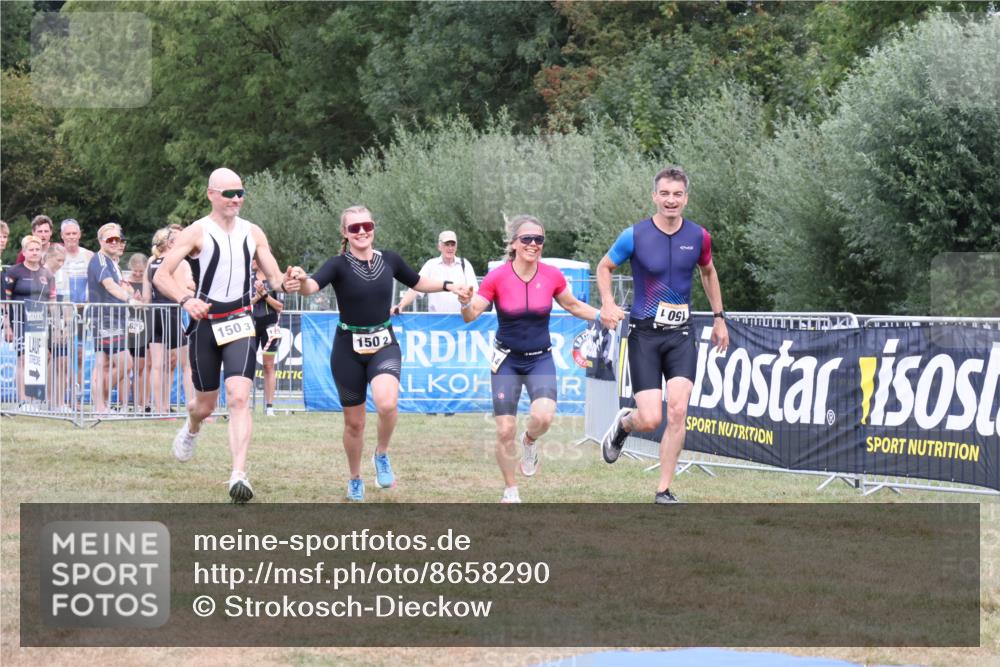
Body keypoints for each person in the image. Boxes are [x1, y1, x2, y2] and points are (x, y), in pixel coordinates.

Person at [287, 205, 471, 502]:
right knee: (355, 423)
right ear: (344, 233)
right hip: (347, 348)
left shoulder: (390, 259)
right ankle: (355, 478)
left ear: (374, 227)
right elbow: (311, 286)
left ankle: (381, 454)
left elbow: (418, 282)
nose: (362, 231)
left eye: (367, 225)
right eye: (354, 227)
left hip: (384, 342)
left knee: (387, 404)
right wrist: (298, 279)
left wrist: (450, 285)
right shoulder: (337, 264)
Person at [153, 167, 296, 504]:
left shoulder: (253, 232)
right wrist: (186, 300)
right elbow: (162, 274)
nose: (236, 199)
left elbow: (274, 276)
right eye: (228, 193)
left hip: (240, 320)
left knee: (239, 397)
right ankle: (191, 428)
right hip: (205, 323)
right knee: (205, 405)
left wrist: (286, 281)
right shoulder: (196, 231)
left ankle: (238, 474)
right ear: (211, 195)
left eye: (240, 193)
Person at [596, 166, 729, 504]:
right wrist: (609, 303)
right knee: (651, 417)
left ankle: (663, 490)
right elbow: (604, 267)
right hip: (645, 337)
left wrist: (719, 318)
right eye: (665, 194)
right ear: (655, 196)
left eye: (677, 194)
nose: (671, 200)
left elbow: (708, 272)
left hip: (682, 336)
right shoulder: (635, 235)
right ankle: (625, 424)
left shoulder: (699, 236)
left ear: (686, 198)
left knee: (678, 412)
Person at [457, 215, 609, 503]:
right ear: (514, 243)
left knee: (543, 417)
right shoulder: (497, 277)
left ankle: (529, 442)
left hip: (540, 359)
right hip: (507, 361)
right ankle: (511, 490)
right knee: (504, 429)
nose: (533, 244)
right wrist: (465, 301)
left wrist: (603, 315)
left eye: (538, 239)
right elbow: (471, 315)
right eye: (526, 239)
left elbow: (574, 306)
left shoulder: (551, 275)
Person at [87, 222, 136, 414]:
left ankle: (100, 404)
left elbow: (117, 286)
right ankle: (100, 400)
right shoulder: (99, 259)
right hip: (105, 319)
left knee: (104, 364)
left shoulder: (112, 261)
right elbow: (109, 285)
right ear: (101, 241)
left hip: (113, 318)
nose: (116, 242)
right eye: (111, 239)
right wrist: (130, 299)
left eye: (119, 239)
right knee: (125, 363)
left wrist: (129, 292)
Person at [3, 235, 57, 409]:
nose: (34, 252)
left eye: (37, 249)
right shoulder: (14, 272)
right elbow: (5, 300)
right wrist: (7, 325)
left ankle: (34, 399)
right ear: (24, 252)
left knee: (41, 358)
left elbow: (52, 302)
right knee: (24, 359)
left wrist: (56, 324)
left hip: (40, 323)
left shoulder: (47, 273)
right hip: (19, 321)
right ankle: (23, 400)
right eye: (31, 250)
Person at [144, 227, 193, 414]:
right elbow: (179, 290)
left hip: (154, 313)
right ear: (171, 243)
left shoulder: (151, 261)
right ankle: (192, 406)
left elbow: (147, 297)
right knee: (187, 364)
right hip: (171, 313)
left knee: (157, 365)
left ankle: (160, 408)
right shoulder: (176, 262)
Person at [391, 230, 478, 314]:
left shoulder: (465, 264)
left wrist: (469, 301)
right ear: (439, 247)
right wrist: (400, 306)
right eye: (446, 245)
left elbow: (474, 292)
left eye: (453, 244)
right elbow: (415, 288)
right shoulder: (431, 265)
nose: (450, 248)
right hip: (435, 321)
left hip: (461, 321)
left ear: (456, 247)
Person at [250, 258, 284, 417]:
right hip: (249, 326)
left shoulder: (275, 280)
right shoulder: (247, 278)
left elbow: (279, 306)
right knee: (245, 366)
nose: (253, 260)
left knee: (269, 366)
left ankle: (269, 407)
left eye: (256, 258)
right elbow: (245, 305)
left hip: (270, 326)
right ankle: (243, 405)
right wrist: (257, 297)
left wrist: (265, 295)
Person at [44, 245, 72, 411]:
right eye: (59, 260)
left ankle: (60, 402)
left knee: (62, 361)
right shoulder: (39, 273)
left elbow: (67, 302)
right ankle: (48, 401)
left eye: (64, 260)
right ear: (49, 258)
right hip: (42, 321)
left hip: (59, 322)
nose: (61, 264)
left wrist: (67, 326)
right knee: (46, 360)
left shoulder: (63, 275)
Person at [126, 252, 152, 412]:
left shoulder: (147, 283)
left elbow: (150, 303)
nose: (137, 274)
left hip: (144, 329)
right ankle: (128, 402)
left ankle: (141, 402)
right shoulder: (125, 283)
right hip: (127, 329)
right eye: (134, 271)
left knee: (141, 367)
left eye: (140, 272)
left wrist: (144, 301)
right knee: (127, 366)